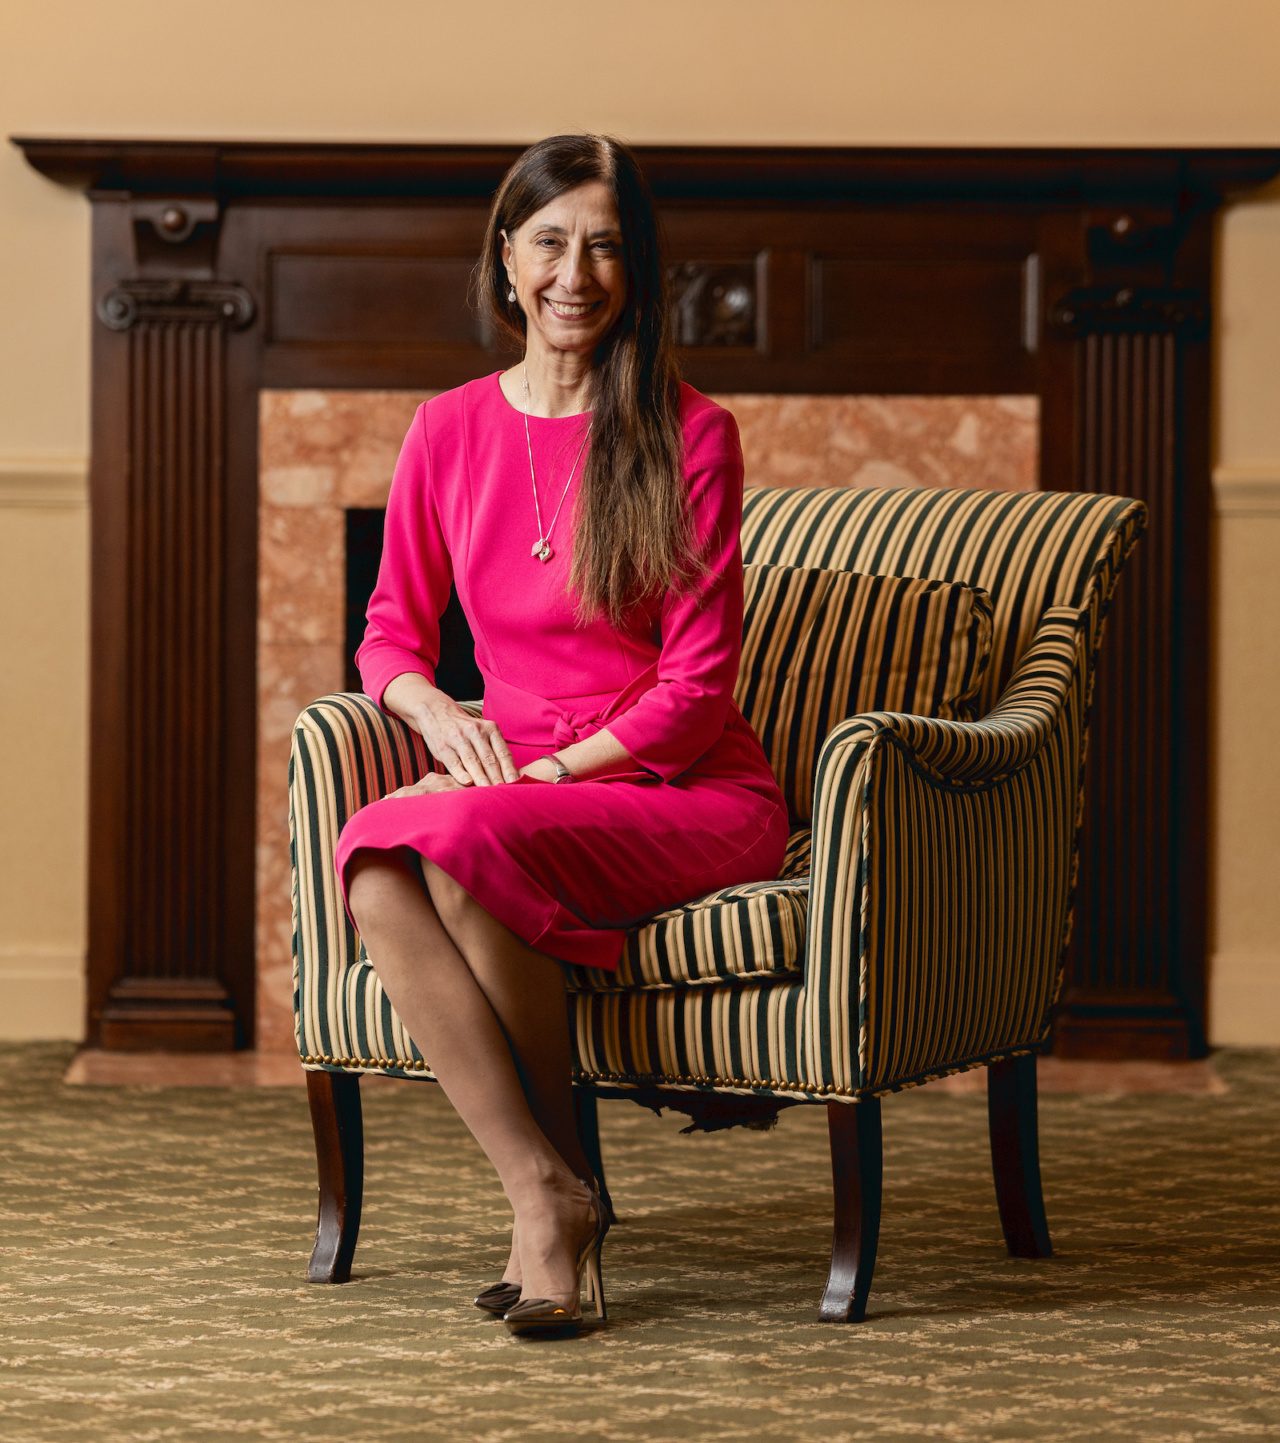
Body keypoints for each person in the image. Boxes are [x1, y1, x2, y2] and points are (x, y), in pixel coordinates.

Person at [335, 133, 789, 1337]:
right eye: (548, 241)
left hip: (678, 788)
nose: (572, 272)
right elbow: (388, 635)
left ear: (635, 268)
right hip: (515, 782)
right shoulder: (445, 430)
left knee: (465, 835)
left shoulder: (689, 433)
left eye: (602, 245)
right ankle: (547, 1189)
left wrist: (541, 770)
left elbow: (694, 690)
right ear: (506, 258)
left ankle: (552, 1217)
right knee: (378, 863)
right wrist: (431, 707)